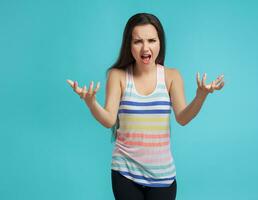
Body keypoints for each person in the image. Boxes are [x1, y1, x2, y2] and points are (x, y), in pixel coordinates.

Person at [67, 13, 224, 200]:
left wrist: (201, 95)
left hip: (162, 176)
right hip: (125, 172)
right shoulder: (118, 76)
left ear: (160, 43)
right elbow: (109, 120)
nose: (145, 48)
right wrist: (90, 102)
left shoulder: (171, 76)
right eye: (138, 41)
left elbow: (182, 118)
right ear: (129, 45)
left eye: (151, 40)